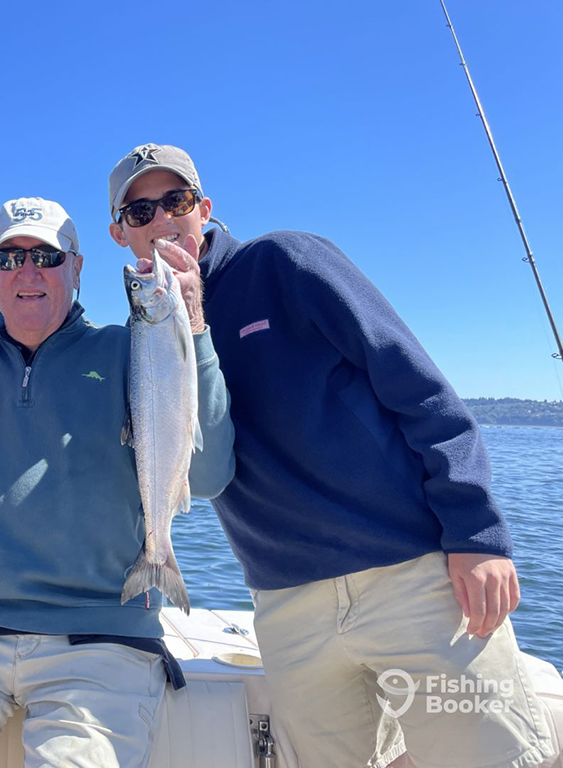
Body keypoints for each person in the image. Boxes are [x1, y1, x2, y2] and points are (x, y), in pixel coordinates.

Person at [108, 143, 559, 768]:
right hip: (287, 604)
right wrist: (186, 319)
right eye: (139, 212)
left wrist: (477, 531)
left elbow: (419, 388)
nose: (160, 219)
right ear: (119, 234)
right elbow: (203, 469)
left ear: (204, 208)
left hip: (413, 577)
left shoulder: (288, 262)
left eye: (176, 200)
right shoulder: (150, 333)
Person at [0, 197, 236, 768]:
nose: (28, 270)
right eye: (8, 257)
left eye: (46, 255)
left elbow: (208, 476)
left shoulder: (133, 349)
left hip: (101, 638)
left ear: (77, 269)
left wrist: (197, 327)